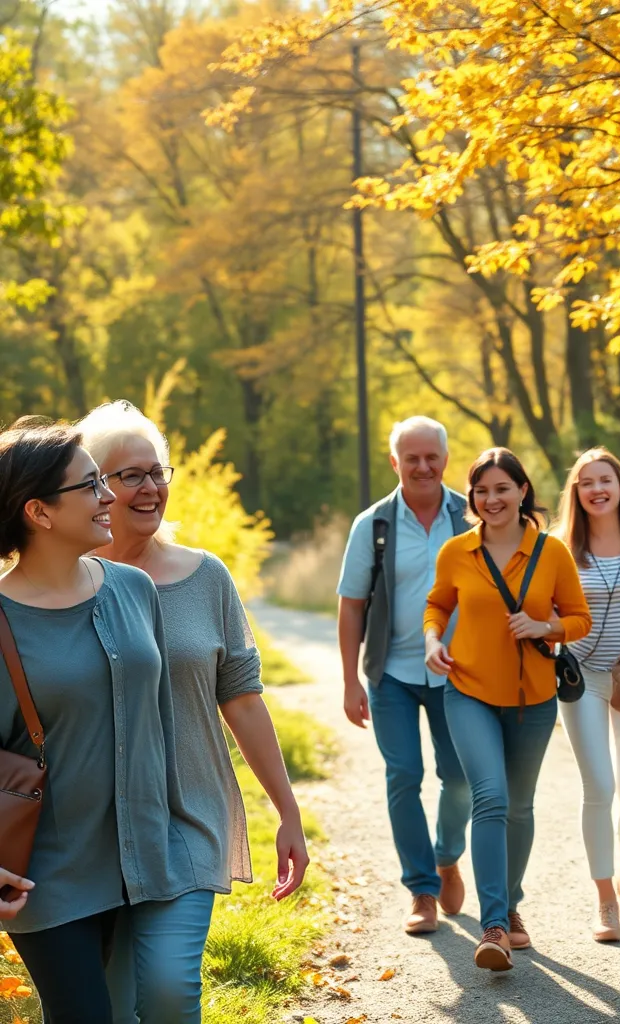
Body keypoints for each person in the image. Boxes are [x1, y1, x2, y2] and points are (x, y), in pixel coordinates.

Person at [76, 400, 309, 1022]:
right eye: (130, 476)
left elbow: (243, 698)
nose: (151, 488)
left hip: (188, 814)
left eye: (158, 472)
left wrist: (288, 812)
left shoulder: (207, 578)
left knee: (170, 994)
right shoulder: (64, 585)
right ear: (93, 487)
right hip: (89, 826)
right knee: (109, 1006)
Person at [0, 422, 209, 1023]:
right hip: (49, 875)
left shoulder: (133, 589)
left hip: (145, 859)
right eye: (91, 486)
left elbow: (161, 722)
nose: (110, 497)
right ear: (39, 511)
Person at [425, 447, 591, 970]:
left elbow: (579, 618)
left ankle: (512, 905)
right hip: (468, 690)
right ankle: (493, 924)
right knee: (491, 799)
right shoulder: (456, 551)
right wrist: (432, 641)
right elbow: (438, 605)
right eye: (481, 490)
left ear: (523, 492)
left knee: (520, 806)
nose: (490, 499)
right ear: (472, 498)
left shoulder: (552, 553)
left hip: (533, 700)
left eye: (501, 488)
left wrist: (546, 628)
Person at [337, 416, 471, 935]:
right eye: (410, 457)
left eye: (430, 456)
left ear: (444, 458)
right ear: (395, 462)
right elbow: (351, 607)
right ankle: (421, 889)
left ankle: (447, 855)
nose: (422, 466)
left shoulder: (472, 515)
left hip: (459, 674)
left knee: (459, 778)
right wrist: (350, 681)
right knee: (404, 777)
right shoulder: (372, 525)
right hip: (391, 673)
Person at [552, 447, 620, 942]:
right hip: (581, 681)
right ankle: (605, 898)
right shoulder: (560, 547)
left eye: (605, 479)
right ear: (576, 492)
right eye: (586, 482)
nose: (596, 489)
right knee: (600, 788)